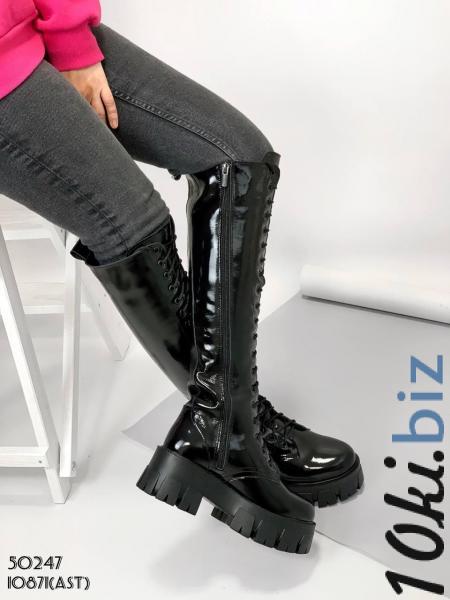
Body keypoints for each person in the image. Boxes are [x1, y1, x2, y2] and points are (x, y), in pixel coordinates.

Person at [0, 0, 363, 553]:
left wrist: (69, 34)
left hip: (29, 24)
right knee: (131, 221)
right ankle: (230, 434)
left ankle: (227, 423)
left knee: (237, 156)